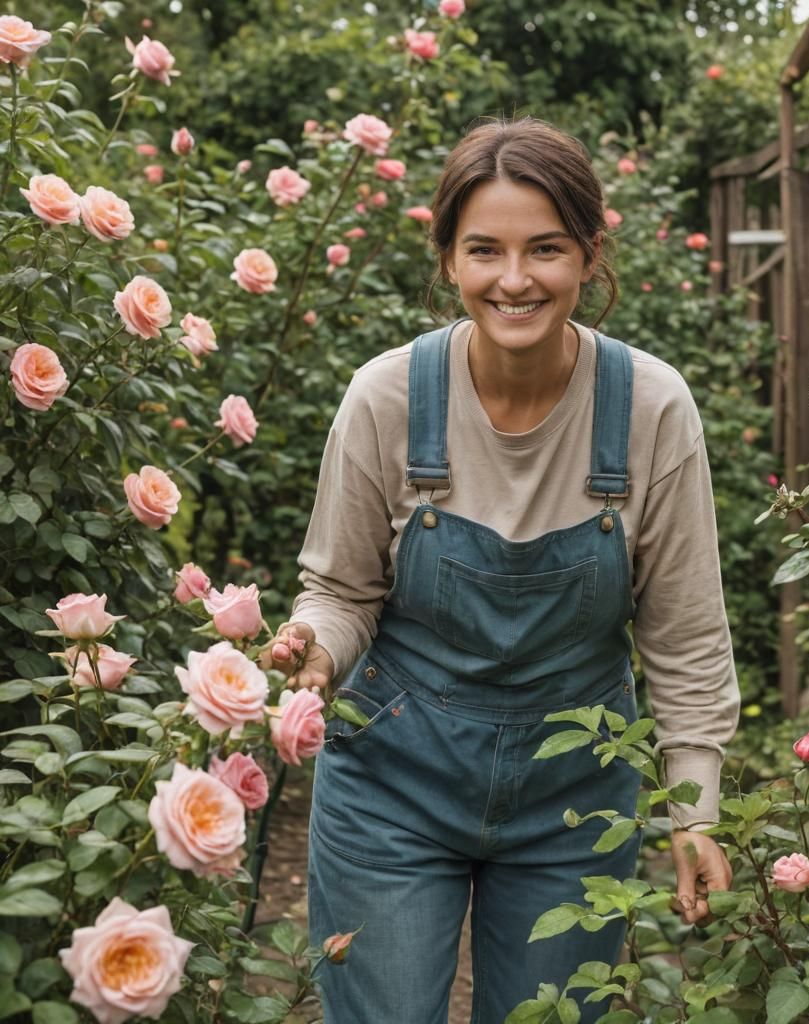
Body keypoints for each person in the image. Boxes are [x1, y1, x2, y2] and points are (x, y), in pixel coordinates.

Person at [266, 116, 740, 1024]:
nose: (515, 280)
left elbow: (683, 632)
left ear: (591, 254)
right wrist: (313, 653)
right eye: (485, 249)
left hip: (574, 802)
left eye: (547, 249)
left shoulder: (648, 407)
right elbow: (339, 590)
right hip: (391, 785)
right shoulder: (390, 398)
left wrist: (696, 810)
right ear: (448, 257)